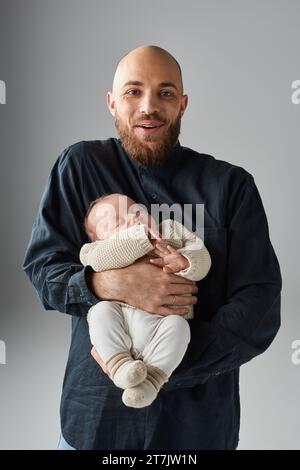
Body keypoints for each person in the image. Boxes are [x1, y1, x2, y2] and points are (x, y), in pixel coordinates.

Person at [22, 44, 282, 450]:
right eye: (133, 91)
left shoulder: (231, 186)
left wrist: (167, 366)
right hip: (96, 420)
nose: (149, 106)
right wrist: (108, 284)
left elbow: (260, 302)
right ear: (111, 102)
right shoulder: (80, 166)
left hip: (198, 428)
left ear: (183, 104)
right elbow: (43, 268)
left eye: (165, 92)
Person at [80, 192, 212, 408]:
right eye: (116, 222)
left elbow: (202, 254)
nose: (133, 218)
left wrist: (186, 261)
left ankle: (150, 382)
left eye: (136, 211)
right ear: (97, 239)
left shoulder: (170, 229)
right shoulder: (95, 250)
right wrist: (140, 236)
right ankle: (120, 366)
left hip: (163, 324)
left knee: (179, 328)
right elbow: (99, 261)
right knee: (100, 313)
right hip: (122, 322)